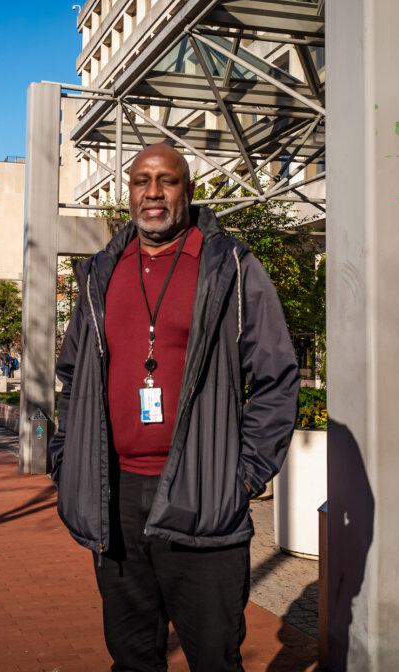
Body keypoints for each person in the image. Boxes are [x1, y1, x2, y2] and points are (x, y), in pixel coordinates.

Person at [50, 143, 299, 671]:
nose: (154, 193)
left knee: (213, 657)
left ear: (188, 190)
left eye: (168, 180)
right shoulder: (100, 273)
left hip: (202, 491)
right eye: (142, 181)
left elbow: (277, 375)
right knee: (132, 657)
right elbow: (71, 377)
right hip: (114, 495)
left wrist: (245, 473)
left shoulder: (229, 266)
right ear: (130, 192)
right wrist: (65, 456)